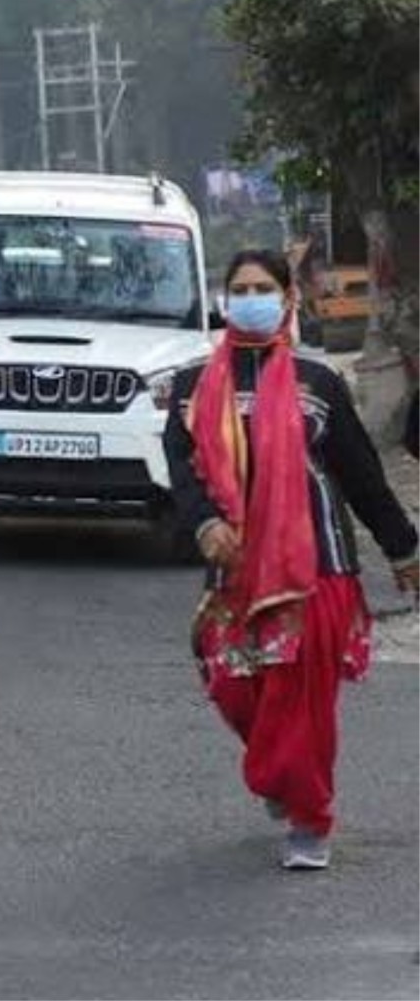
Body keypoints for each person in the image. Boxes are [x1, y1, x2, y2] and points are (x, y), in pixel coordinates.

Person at [164, 249, 418, 871]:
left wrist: (403, 548)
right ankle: (280, 771)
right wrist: (204, 522)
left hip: (316, 566)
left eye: (263, 288)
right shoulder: (193, 385)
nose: (251, 298)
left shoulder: (318, 382)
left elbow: (361, 474)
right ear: (224, 299)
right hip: (234, 568)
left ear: (287, 298)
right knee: (235, 688)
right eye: (241, 288)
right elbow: (182, 467)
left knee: (300, 700)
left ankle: (309, 817)